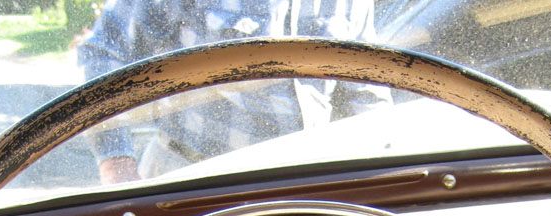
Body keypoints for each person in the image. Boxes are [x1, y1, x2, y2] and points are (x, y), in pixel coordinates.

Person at [78, 0, 393, 183]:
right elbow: (103, 53)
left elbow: (365, 97)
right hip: (186, 189)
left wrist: (383, 174)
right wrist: (116, 165)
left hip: (304, 194)